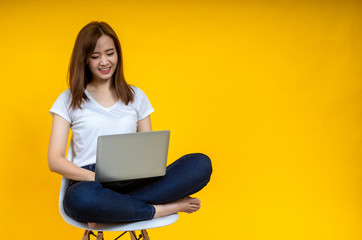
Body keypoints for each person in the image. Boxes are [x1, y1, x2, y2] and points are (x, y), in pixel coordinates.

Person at [48, 21, 212, 240]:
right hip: (90, 182)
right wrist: (95, 177)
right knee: (80, 199)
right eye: (95, 56)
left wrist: (116, 196)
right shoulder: (68, 99)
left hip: (135, 178)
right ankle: (160, 209)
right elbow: (55, 160)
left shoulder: (136, 96)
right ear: (84, 59)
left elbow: (149, 152)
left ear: (118, 54)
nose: (104, 62)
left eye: (110, 53)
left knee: (200, 164)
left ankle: (113, 210)